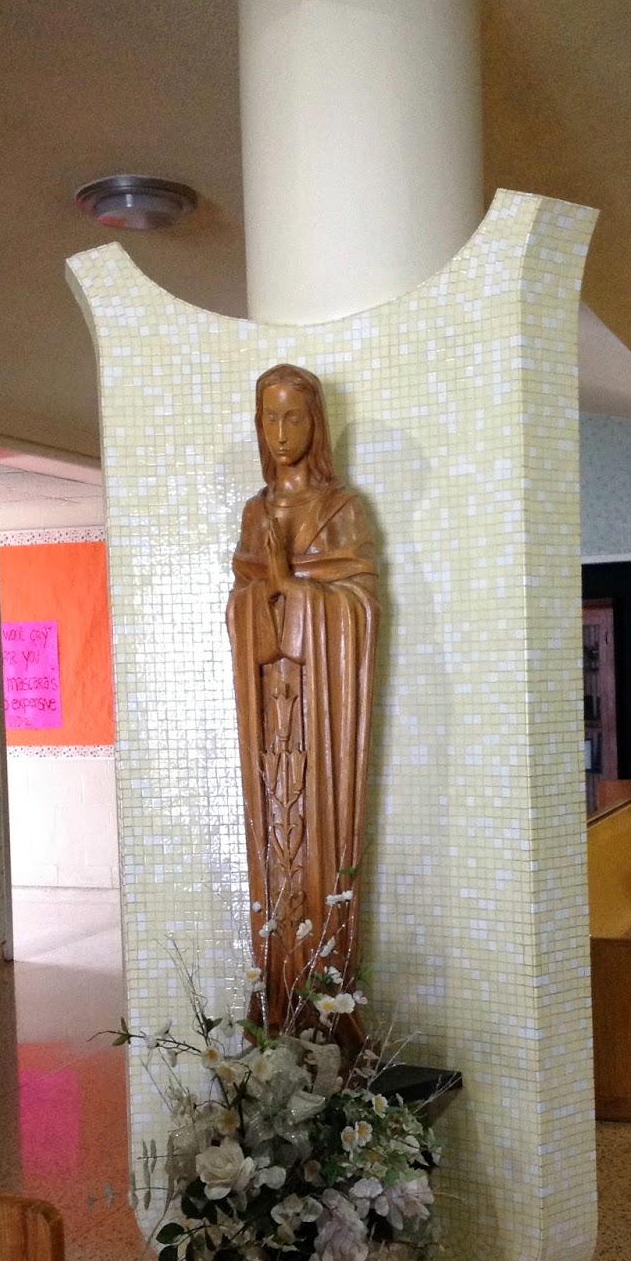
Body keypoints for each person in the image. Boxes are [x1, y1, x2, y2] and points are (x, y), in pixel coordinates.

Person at [227, 363, 379, 1043]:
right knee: (274, 833)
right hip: (269, 708)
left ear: (315, 424)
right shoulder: (254, 514)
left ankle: (326, 1003)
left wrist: (294, 588)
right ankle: (278, 995)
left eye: (294, 416)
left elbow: (360, 606)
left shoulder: (342, 509)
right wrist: (264, 590)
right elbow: (240, 606)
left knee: (318, 836)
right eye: (270, 418)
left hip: (325, 715)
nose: (282, 432)